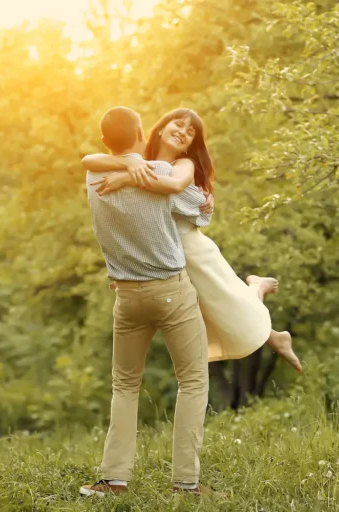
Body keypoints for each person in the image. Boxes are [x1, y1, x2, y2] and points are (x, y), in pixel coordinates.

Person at [82, 108, 302, 373]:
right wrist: (129, 165)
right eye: (178, 124)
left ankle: (258, 288)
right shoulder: (141, 160)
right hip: (164, 256)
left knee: (230, 311)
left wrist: (128, 178)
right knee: (221, 315)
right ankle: (275, 334)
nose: (183, 133)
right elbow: (91, 160)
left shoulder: (182, 165)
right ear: (161, 127)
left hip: (191, 250)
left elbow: (173, 187)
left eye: (190, 133)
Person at [79, 106, 214, 497]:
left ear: (106, 141)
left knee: (124, 386)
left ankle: (114, 479)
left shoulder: (93, 174)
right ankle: (186, 483)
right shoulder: (164, 174)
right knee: (192, 381)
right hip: (171, 291)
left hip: (126, 295)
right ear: (142, 133)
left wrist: (123, 172)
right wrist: (201, 201)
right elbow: (201, 208)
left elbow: (92, 158)